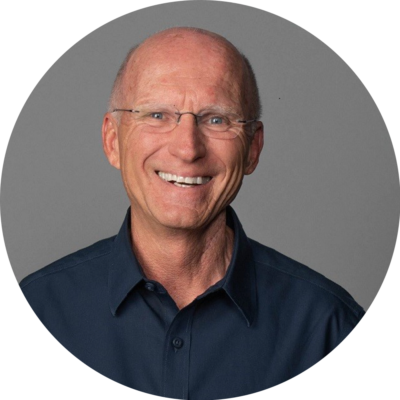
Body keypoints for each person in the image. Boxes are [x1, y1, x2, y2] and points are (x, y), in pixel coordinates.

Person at [19, 27, 366, 398]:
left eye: (216, 119)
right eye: (157, 115)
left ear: (252, 149)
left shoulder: (328, 328)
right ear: (112, 140)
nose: (187, 149)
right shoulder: (41, 309)